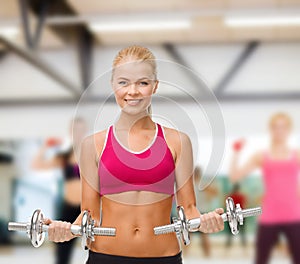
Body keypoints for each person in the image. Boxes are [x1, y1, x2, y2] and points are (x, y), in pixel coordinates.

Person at [44, 45, 224, 264]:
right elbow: (89, 214)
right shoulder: (93, 145)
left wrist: (206, 222)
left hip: (163, 257)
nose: (133, 91)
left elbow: (189, 210)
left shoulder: (178, 142)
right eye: (123, 82)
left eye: (143, 82)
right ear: (113, 86)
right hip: (105, 257)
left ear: (155, 86)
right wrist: (66, 230)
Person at [229, 112, 300, 264]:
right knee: (261, 260)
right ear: (271, 129)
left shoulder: (297, 155)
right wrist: (236, 152)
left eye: (283, 127)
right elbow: (235, 175)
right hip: (269, 216)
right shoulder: (261, 156)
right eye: (275, 127)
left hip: (294, 216)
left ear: (288, 130)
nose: (279, 131)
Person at [32, 117, 87, 264]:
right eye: (75, 129)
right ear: (71, 131)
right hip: (68, 206)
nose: (78, 132)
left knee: (95, 246)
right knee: (62, 251)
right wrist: (45, 146)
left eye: (81, 129)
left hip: (86, 209)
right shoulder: (63, 157)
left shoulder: (92, 153)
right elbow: (37, 165)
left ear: (85, 131)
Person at [193, 166, 220, 257]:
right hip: (195, 212)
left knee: (203, 236)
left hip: (201, 212)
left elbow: (215, 192)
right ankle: (207, 256)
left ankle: (208, 256)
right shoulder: (194, 185)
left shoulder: (201, 185)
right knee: (191, 236)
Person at [225, 183, 247, 248]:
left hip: (232, 216)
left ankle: (228, 244)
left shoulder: (230, 197)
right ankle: (244, 244)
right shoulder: (241, 196)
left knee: (230, 231)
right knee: (242, 230)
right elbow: (244, 205)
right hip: (241, 215)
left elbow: (227, 207)